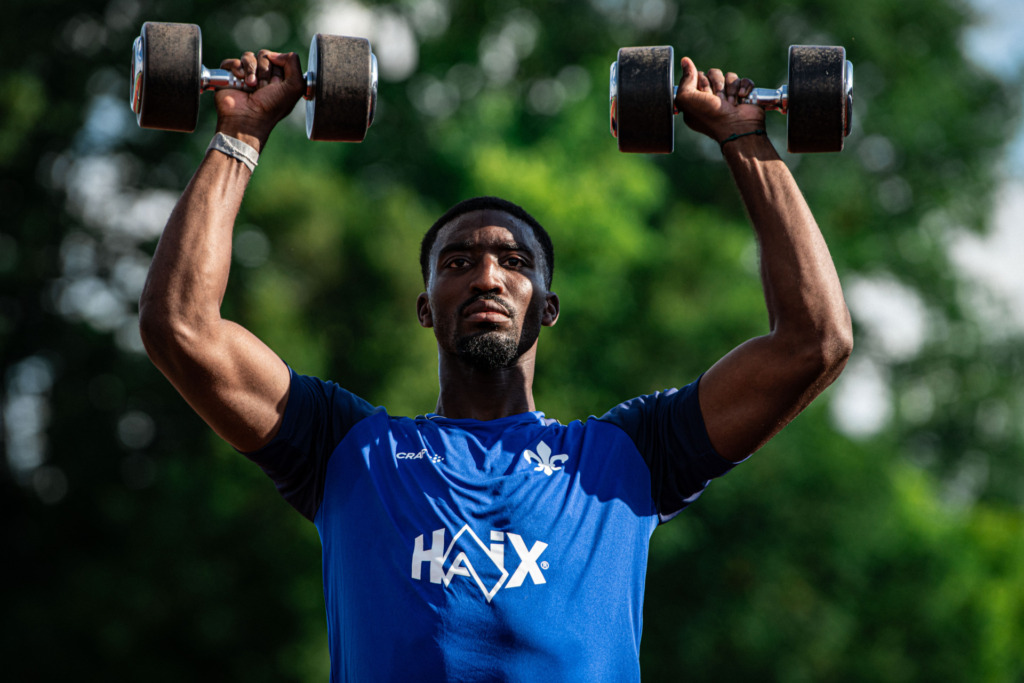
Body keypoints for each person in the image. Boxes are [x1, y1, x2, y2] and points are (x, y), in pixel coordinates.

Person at [139, 46, 852, 682]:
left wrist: (744, 136)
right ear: (425, 306)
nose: (486, 276)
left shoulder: (629, 457)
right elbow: (183, 326)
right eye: (459, 262)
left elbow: (813, 341)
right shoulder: (348, 450)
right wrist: (240, 134)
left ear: (547, 305)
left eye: (514, 263)